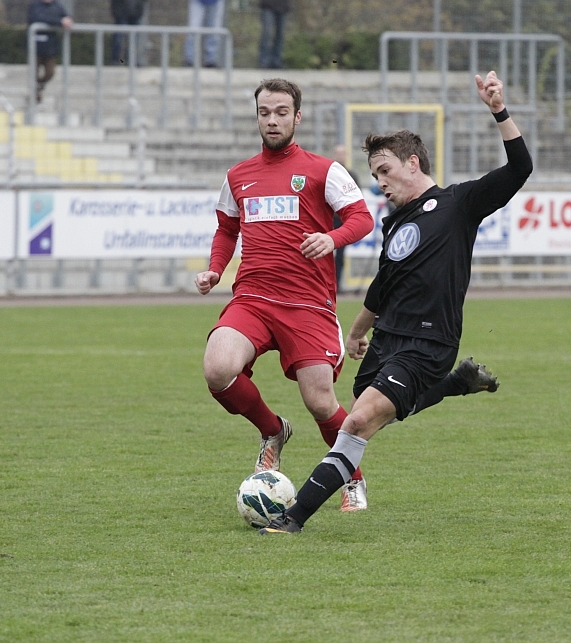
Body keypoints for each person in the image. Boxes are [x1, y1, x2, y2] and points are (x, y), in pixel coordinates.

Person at [259, 70, 532, 535]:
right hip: (387, 340)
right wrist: (357, 331)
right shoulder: (395, 223)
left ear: (412, 163)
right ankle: (457, 384)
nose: (379, 182)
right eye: (374, 175)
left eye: (384, 171)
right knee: (368, 413)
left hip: (428, 343)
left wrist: (498, 110)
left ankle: (292, 519)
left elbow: (520, 168)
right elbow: (384, 285)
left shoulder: (459, 204)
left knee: (358, 423)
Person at [195, 78, 375, 510]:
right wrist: (216, 268)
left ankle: (353, 479)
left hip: (308, 303)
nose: (272, 120)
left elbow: (362, 218)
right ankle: (273, 430)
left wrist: (331, 238)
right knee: (217, 369)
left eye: (280, 112)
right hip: (253, 298)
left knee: (320, 402)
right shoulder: (238, 176)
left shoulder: (324, 170)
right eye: (264, 113)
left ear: (297, 117)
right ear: (257, 117)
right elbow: (227, 229)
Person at [27, 0, 73, 104]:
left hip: (50, 47)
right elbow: (37, 18)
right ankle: (34, 93)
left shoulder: (56, 6)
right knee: (34, 72)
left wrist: (68, 20)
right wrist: (59, 21)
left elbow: (65, 16)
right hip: (36, 45)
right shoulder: (35, 5)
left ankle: (39, 86)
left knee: (50, 71)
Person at [331, 144, 362, 293]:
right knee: (325, 252)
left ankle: (337, 284)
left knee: (340, 256)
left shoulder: (351, 176)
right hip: (330, 219)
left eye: (342, 153)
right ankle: (328, 284)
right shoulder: (328, 173)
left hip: (342, 220)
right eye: (338, 153)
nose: (340, 156)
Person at [184, 0, 225, 67]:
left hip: (216, 2)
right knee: (193, 29)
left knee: (214, 30)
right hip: (197, 1)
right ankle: (190, 60)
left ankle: (210, 61)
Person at [110, 0, 145, 65]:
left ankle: (131, 60)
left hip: (136, 11)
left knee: (134, 39)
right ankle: (116, 60)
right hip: (121, 11)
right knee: (119, 39)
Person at [259, 0, 290, 70]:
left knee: (280, 35)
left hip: (283, 7)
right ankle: (264, 61)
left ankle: (276, 61)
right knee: (266, 33)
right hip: (268, 6)